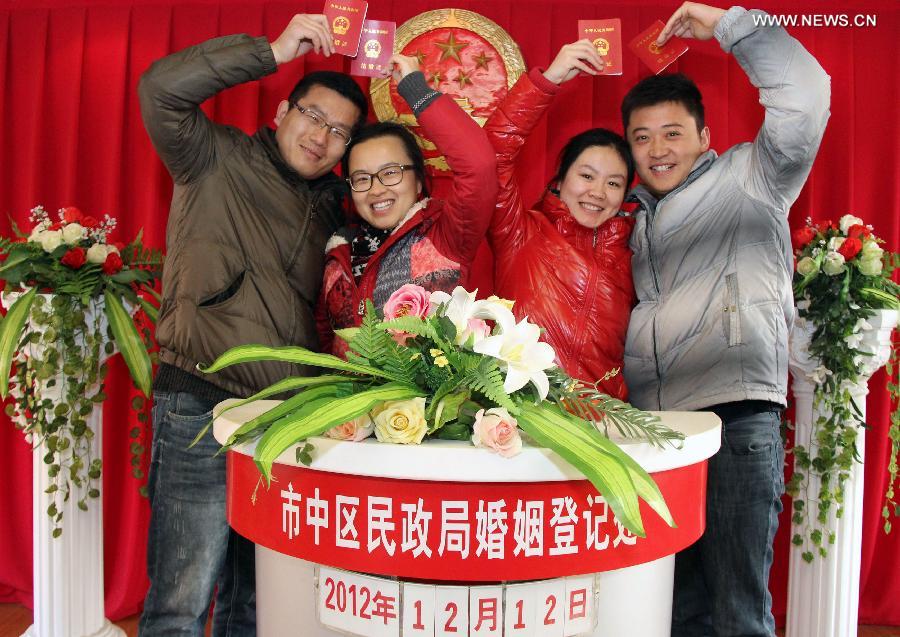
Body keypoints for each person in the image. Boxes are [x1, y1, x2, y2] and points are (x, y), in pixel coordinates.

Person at [137, 14, 367, 636]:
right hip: (199, 405)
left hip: (281, 424)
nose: (321, 138)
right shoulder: (213, 156)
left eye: (340, 134)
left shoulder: (336, 212)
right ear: (282, 111)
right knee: (180, 605)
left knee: (255, 604)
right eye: (314, 117)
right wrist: (272, 50)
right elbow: (159, 89)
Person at [621, 3, 830, 635]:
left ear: (705, 136)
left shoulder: (751, 177)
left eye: (673, 132)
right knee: (677, 605)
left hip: (736, 418)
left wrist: (731, 25)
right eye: (642, 137)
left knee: (739, 608)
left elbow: (807, 93)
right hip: (663, 432)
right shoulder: (631, 220)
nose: (657, 150)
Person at [483, 41, 635, 399]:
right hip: (519, 420)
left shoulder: (634, 254)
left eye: (613, 183)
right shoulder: (520, 231)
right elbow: (493, 153)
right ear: (560, 179)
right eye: (586, 176)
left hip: (601, 423)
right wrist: (548, 80)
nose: (597, 192)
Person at [316, 54, 497, 353]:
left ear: (418, 181)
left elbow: (479, 167)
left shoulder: (444, 237)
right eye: (362, 178)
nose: (376, 189)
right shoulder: (337, 253)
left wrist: (416, 90)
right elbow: (324, 343)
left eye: (390, 173)